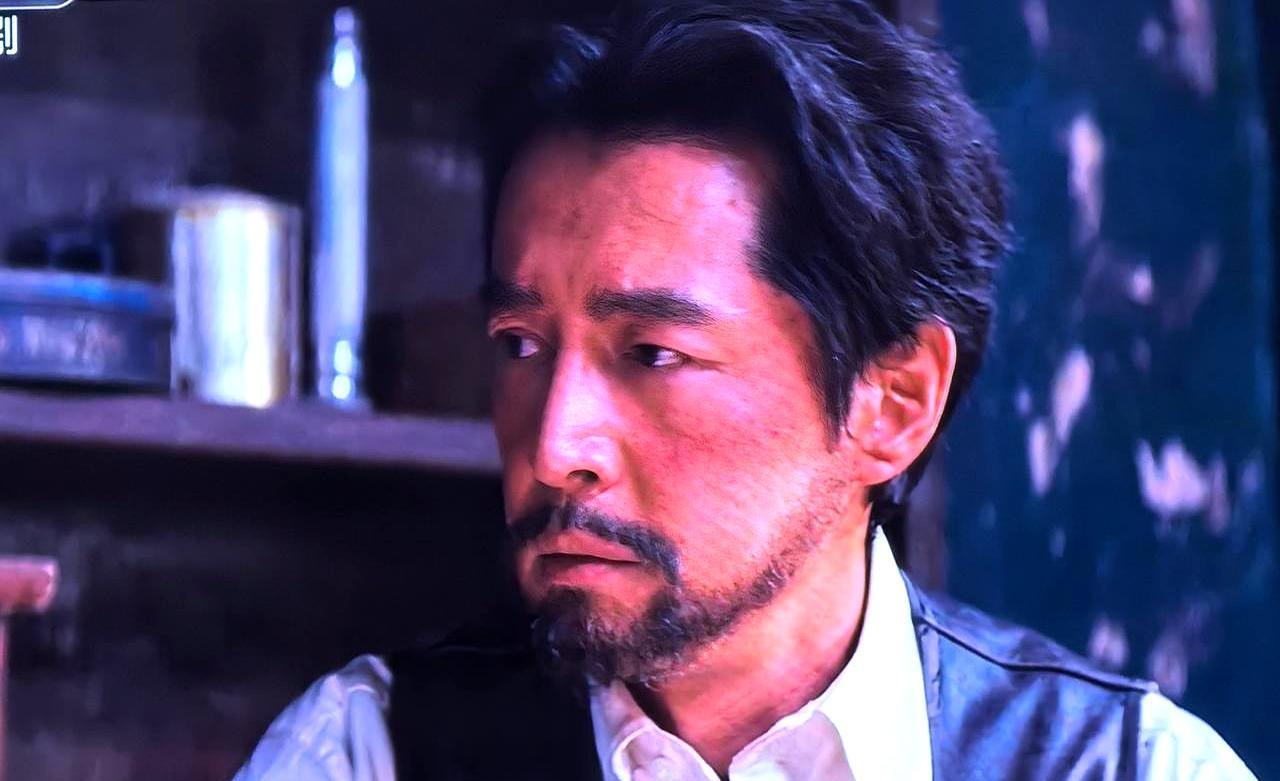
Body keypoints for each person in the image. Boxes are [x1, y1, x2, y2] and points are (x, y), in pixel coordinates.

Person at [232, 1, 1256, 779]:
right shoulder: (369, 751)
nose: (553, 446)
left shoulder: (1128, 766)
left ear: (892, 400)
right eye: (521, 342)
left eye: (651, 353)